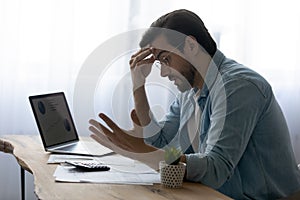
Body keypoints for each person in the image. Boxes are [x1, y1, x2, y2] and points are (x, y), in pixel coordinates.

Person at [89, 9, 300, 199]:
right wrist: (138, 86)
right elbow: (164, 144)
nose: (162, 72)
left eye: (166, 59)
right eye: (158, 63)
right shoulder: (190, 92)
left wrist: (145, 152)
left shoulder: (237, 87)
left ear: (190, 45)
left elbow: (216, 169)